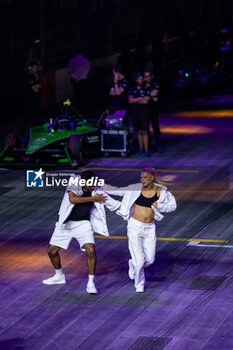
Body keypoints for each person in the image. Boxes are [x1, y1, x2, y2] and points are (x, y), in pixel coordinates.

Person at [42, 170, 120, 295]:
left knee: (91, 250)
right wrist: (93, 198)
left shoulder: (96, 190)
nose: (92, 187)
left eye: (93, 184)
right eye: (89, 185)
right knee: (51, 251)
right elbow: (73, 199)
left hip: (83, 223)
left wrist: (131, 211)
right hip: (66, 223)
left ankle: (90, 283)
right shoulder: (74, 181)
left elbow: (113, 203)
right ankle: (59, 276)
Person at [105, 168, 176, 292]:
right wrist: (97, 184)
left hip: (150, 228)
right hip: (134, 226)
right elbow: (115, 191)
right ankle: (139, 284)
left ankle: (132, 264)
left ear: (152, 177)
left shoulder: (161, 191)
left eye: (145, 177)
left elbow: (172, 206)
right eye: (141, 177)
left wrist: (160, 206)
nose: (142, 180)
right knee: (139, 261)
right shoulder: (135, 188)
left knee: (149, 259)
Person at [128, 73, 151, 157]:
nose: (141, 80)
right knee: (138, 131)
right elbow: (130, 101)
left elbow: (146, 101)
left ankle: (146, 150)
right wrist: (140, 98)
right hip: (135, 112)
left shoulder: (146, 89)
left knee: (145, 131)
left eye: (142, 79)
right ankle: (141, 149)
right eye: (140, 79)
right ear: (136, 80)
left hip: (144, 113)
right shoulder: (132, 89)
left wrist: (135, 99)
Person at [144, 71, 164, 152]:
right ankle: (148, 145)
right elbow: (150, 96)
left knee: (156, 128)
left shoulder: (155, 84)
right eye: (146, 76)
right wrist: (150, 97)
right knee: (146, 128)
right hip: (145, 110)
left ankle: (159, 145)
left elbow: (155, 92)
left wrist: (145, 95)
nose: (148, 78)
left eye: (149, 76)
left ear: (151, 76)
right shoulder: (142, 86)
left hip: (153, 110)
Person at [23, 60, 42, 128]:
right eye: (34, 68)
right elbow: (36, 89)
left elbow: (38, 86)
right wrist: (37, 84)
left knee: (38, 112)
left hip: (33, 98)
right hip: (29, 99)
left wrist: (37, 84)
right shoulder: (28, 76)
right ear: (30, 68)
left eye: (36, 68)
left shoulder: (34, 75)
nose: (36, 70)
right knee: (28, 117)